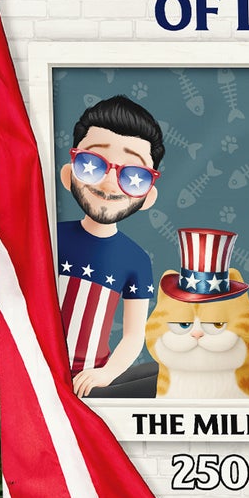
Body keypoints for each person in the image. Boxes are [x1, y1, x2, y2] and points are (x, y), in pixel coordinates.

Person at [57, 96, 164, 397]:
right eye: (91, 165)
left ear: (148, 196)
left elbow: (133, 335)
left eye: (133, 175)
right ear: (69, 174)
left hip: (90, 382)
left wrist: (107, 374)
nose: (109, 183)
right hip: (41, 368)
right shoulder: (51, 238)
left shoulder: (136, 260)